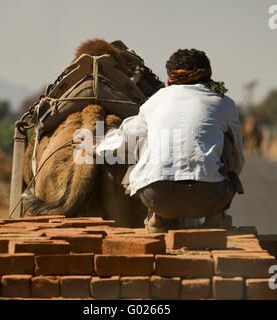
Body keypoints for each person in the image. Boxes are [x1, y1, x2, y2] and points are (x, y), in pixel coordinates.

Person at [94, 48, 245, 232]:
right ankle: (215, 217)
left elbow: (125, 138)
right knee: (227, 141)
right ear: (209, 76)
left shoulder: (154, 102)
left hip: (157, 198)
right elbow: (238, 156)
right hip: (210, 197)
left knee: (143, 140)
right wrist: (226, 184)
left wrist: (96, 147)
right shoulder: (224, 102)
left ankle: (155, 217)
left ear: (169, 79)